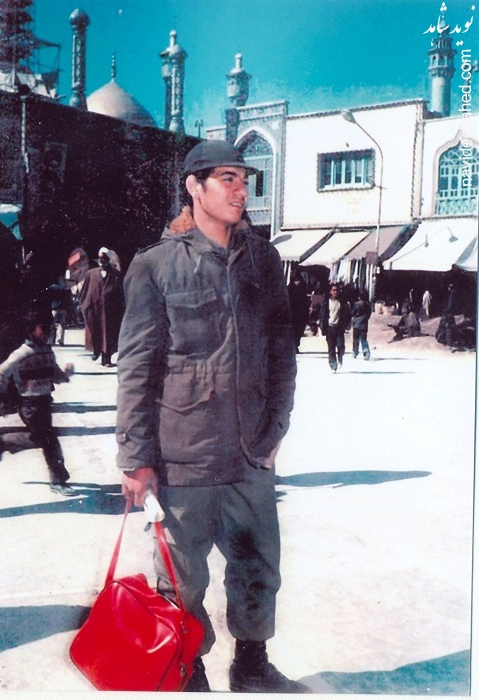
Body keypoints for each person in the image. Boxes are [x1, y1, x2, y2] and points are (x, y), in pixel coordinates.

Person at [115, 140, 307, 693]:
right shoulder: (155, 266)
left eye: (244, 179)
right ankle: (187, 668)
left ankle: (252, 665)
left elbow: (281, 353)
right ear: (194, 187)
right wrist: (135, 458)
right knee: (183, 580)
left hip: (250, 454)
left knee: (258, 570)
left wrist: (275, 428)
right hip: (184, 457)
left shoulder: (264, 261)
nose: (240, 190)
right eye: (227, 179)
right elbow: (136, 367)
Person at [0, 308, 75, 496]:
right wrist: (2, 398)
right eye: (43, 328)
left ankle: (3, 443)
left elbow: (55, 375)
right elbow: (2, 373)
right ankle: (58, 480)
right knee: (49, 440)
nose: (48, 332)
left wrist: (66, 375)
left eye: (50, 328)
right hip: (29, 404)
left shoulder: (47, 351)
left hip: (45, 402)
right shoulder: (21, 353)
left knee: (43, 438)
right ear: (30, 329)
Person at [79, 247, 125, 367]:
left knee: (109, 334)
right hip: (94, 310)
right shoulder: (91, 274)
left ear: (108, 260)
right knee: (95, 331)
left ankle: (106, 359)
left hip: (110, 312)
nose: (102, 261)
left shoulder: (115, 275)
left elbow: (121, 293)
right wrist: (85, 306)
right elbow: (84, 292)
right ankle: (96, 351)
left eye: (104, 259)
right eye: (100, 259)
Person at [319, 282, 351, 372]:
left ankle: (340, 358)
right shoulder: (326, 303)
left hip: (339, 328)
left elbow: (348, 314)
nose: (335, 292)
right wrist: (322, 327)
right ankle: (333, 364)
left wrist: (346, 325)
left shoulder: (343, 303)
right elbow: (322, 316)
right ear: (330, 292)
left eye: (337, 290)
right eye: (333, 290)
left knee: (341, 346)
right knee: (331, 347)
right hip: (329, 328)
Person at [287, 271, 310, 352]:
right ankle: (295, 345)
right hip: (297, 312)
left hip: (298, 311)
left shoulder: (300, 286)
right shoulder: (292, 286)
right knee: (297, 330)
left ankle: (295, 346)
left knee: (297, 330)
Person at [351, 289, 371, 360]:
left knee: (356, 339)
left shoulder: (356, 304)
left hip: (356, 324)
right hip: (364, 324)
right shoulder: (368, 305)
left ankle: (355, 351)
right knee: (363, 339)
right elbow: (369, 314)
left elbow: (353, 313)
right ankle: (366, 352)